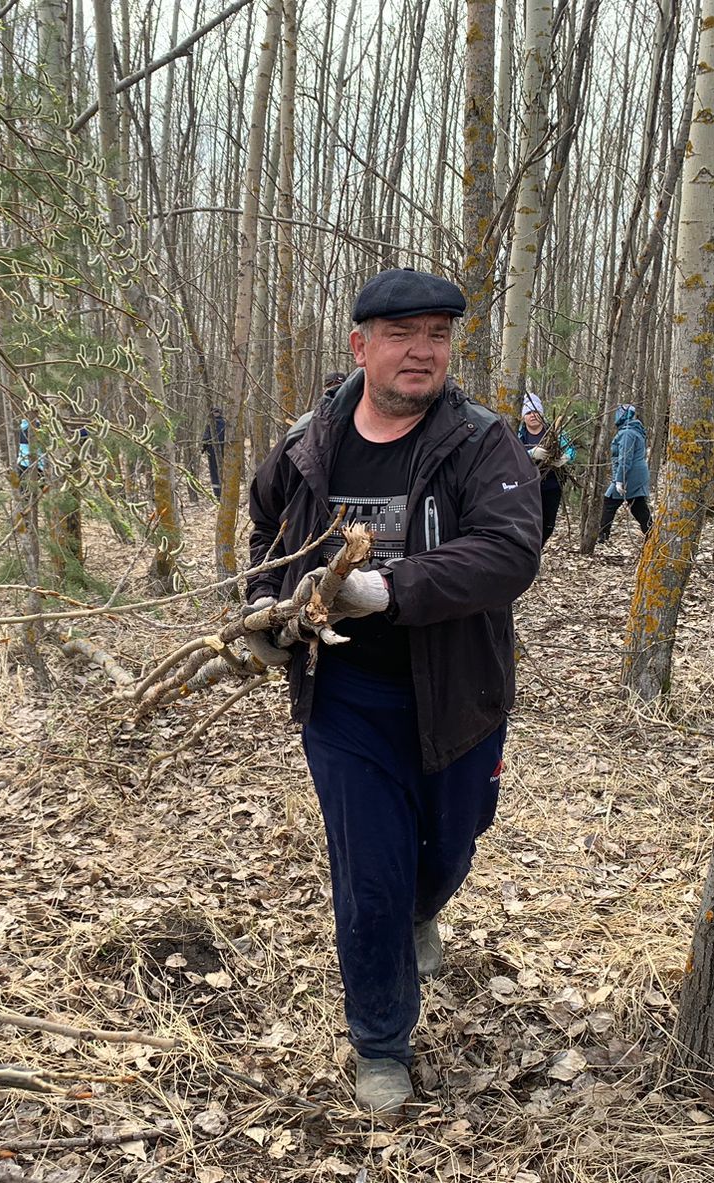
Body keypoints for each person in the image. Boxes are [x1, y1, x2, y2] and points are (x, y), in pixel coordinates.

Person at [244, 269, 542, 1112]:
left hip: (458, 697)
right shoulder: (310, 442)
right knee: (366, 875)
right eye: (404, 334)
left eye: (438, 336)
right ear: (361, 346)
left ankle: (426, 909)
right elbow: (268, 531)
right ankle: (381, 1044)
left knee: (447, 851)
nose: (423, 352)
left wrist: (387, 588)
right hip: (345, 702)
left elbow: (511, 550)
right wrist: (264, 606)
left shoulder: (483, 441)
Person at [517, 393, 574, 545]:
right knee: (528, 524)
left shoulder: (553, 432)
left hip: (551, 486)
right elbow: (511, 454)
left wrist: (565, 458)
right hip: (527, 488)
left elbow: (570, 449)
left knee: (547, 526)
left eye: (535, 411)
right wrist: (530, 453)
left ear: (541, 413)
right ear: (523, 417)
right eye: (528, 412)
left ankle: (537, 550)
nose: (532, 415)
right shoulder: (518, 435)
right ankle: (529, 554)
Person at [599, 403, 652, 543]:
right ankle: (652, 534)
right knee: (638, 505)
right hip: (637, 473)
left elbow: (625, 458)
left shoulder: (627, 433)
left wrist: (620, 480)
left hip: (630, 474)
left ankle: (601, 538)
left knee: (609, 501)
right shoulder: (634, 430)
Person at [200, 406, 227, 499]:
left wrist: (204, 448)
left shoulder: (211, 424)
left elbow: (205, 439)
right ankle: (221, 491)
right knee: (221, 470)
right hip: (223, 451)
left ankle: (218, 493)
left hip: (213, 451)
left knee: (214, 471)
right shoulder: (225, 423)